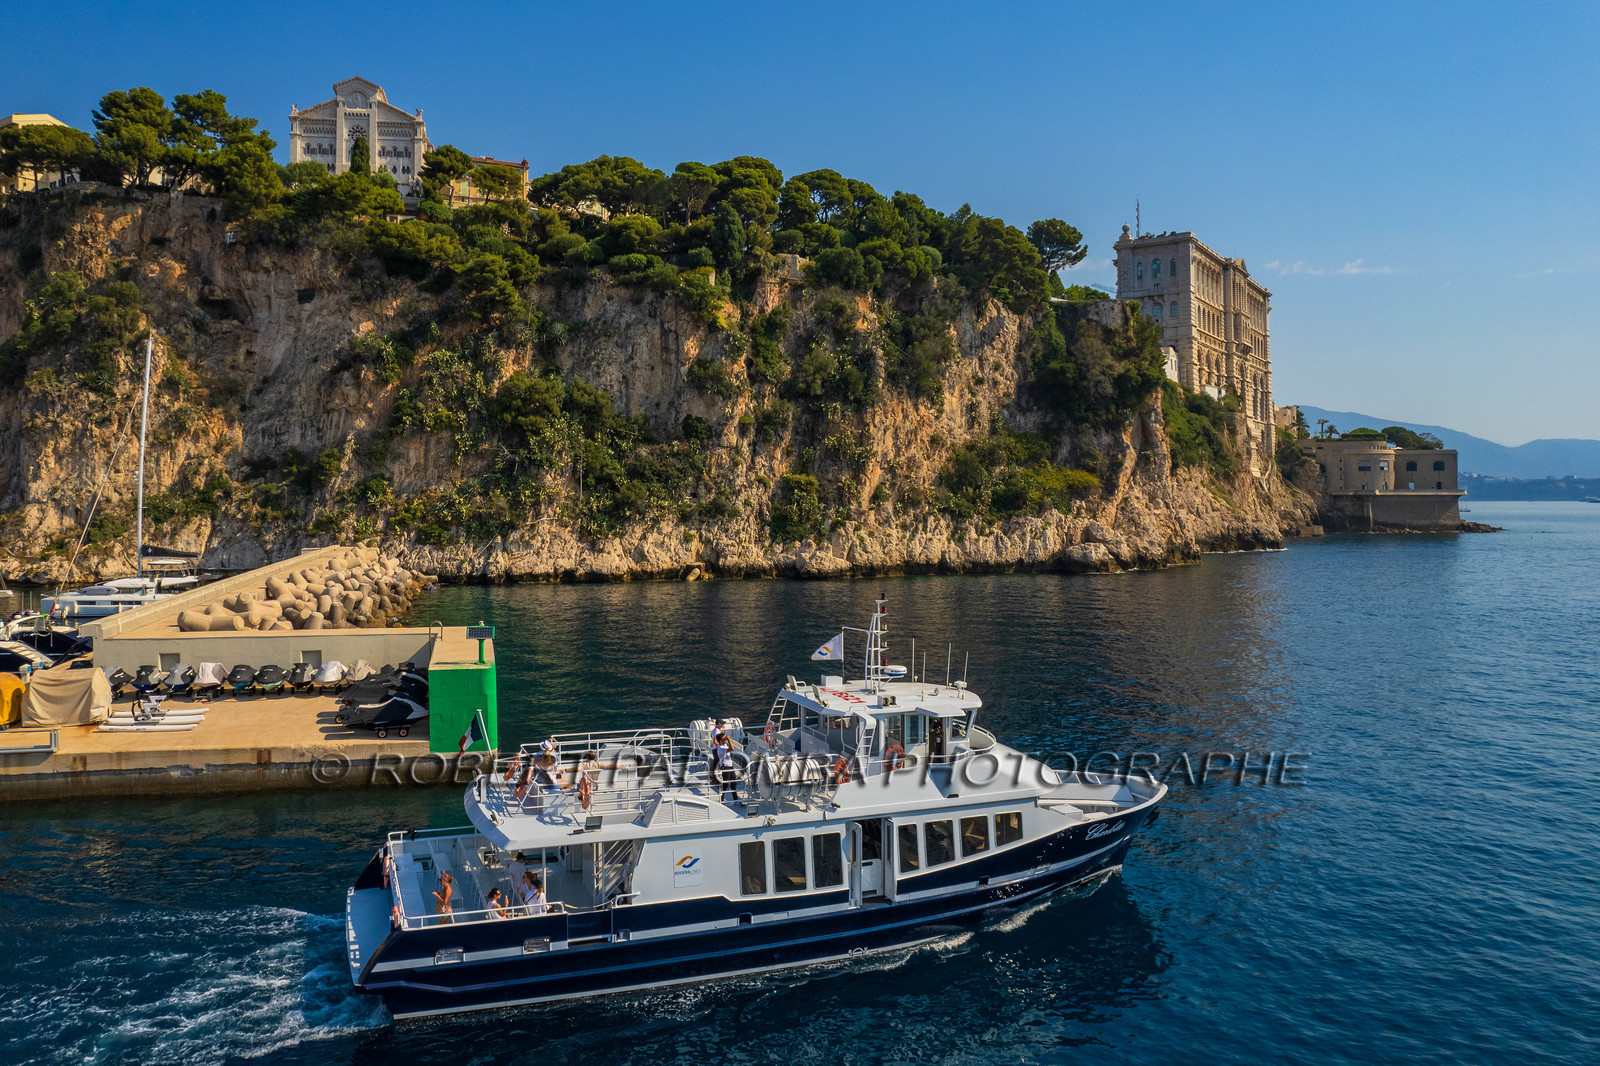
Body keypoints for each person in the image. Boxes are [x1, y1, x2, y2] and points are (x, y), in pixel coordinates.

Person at [712, 730, 737, 801]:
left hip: (730, 766)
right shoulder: (720, 748)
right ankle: (722, 798)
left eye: (725, 739)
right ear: (720, 741)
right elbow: (732, 748)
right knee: (726, 784)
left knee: (733, 784)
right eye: (723, 740)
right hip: (725, 767)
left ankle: (736, 800)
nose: (725, 741)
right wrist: (729, 739)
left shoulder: (724, 745)